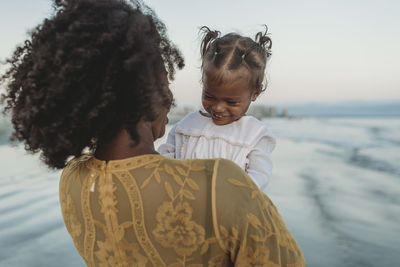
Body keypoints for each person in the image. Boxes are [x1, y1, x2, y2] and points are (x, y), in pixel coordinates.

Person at [0, 0, 305, 266]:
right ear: (149, 91)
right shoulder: (221, 185)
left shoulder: (73, 182)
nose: (171, 97)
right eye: (163, 80)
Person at [159, 27, 276, 191]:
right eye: (210, 96)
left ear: (254, 94)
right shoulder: (186, 126)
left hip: (225, 212)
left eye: (231, 102)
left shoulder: (254, 135)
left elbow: (259, 176)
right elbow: (164, 159)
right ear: (203, 83)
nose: (218, 108)